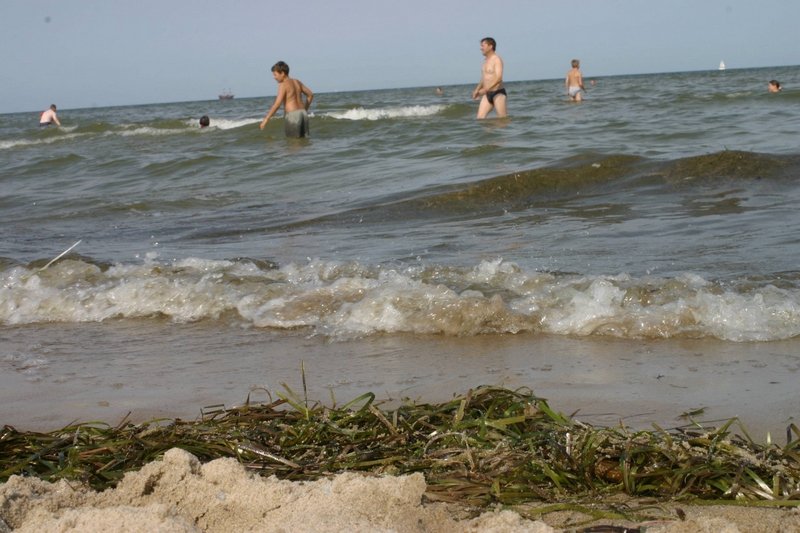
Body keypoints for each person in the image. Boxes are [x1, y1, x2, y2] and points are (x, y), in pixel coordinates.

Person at [259, 61, 314, 138]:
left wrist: (266, 119)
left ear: (282, 73)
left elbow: (277, 104)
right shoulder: (297, 82)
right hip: (303, 114)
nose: (274, 77)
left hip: (292, 116)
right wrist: (305, 109)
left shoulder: (283, 84)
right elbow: (310, 95)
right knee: (303, 142)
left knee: (293, 144)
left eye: (275, 75)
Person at [471, 37, 507, 119]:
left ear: (490, 46)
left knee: (502, 119)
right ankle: (490, 131)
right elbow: (483, 78)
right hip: (487, 94)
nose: (481, 48)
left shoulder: (497, 59)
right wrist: (477, 90)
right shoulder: (485, 61)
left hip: (498, 93)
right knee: (480, 118)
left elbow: (499, 78)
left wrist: (486, 89)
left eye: (483, 45)